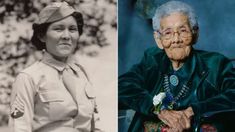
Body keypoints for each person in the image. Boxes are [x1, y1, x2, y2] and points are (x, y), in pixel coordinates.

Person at [119, 1, 235, 132]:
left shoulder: (215, 64)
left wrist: (194, 111)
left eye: (183, 30)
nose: (176, 39)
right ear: (158, 39)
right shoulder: (153, 60)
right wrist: (160, 110)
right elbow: (123, 86)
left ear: (195, 34)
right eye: (168, 32)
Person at [9, 1, 103, 132]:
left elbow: (95, 126)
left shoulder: (81, 74)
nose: (66, 36)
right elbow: (19, 128)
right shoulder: (28, 78)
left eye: (72, 29)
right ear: (42, 36)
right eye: (58, 29)